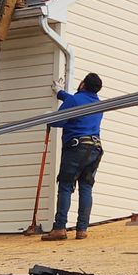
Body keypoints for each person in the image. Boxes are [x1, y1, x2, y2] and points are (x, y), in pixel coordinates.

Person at [42, 73, 105, 241]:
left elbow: (59, 121)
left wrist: (48, 116)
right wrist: (60, 93)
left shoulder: (75, 100)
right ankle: (82, 229)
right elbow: (75, 103)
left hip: (77, 148)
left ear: (83, 84)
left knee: (66, 186)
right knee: (86, 187)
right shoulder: (98, 104)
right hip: (95, 148)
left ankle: (60, 228)